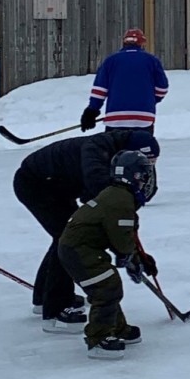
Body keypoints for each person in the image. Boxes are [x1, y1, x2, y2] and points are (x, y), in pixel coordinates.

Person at [15, 128, 159, 331]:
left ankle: (43, 298)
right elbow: (110, 208)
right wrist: (128, 251)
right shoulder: (97, 154)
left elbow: (127, 200)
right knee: (68, 238)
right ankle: (55, 310)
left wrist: (134, 251)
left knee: (65, 237)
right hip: (36, 184)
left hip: (58, 186)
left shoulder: (121, 158)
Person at [56, 150, 158, 360]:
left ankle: (117, 328)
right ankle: (99, 339)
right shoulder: (120, 200)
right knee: (106, 287)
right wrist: (131, 259)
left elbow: (122, 236)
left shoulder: (117, 194)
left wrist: (139, 259)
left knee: (108, 285)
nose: (146, 179)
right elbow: (121, 241)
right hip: (79, 251)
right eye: (144, 174)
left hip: (83, 249)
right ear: (134, 175)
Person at [81, 28, 169, 133]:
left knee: (115, 144)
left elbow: (99, 90)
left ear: (124, 42)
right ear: (142, 43)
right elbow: (162, 88)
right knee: (142, 143)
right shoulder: (152, 60)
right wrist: (150, 100)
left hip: (115, 118)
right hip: (143, 118)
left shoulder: (110, 61)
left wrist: (92, 111)